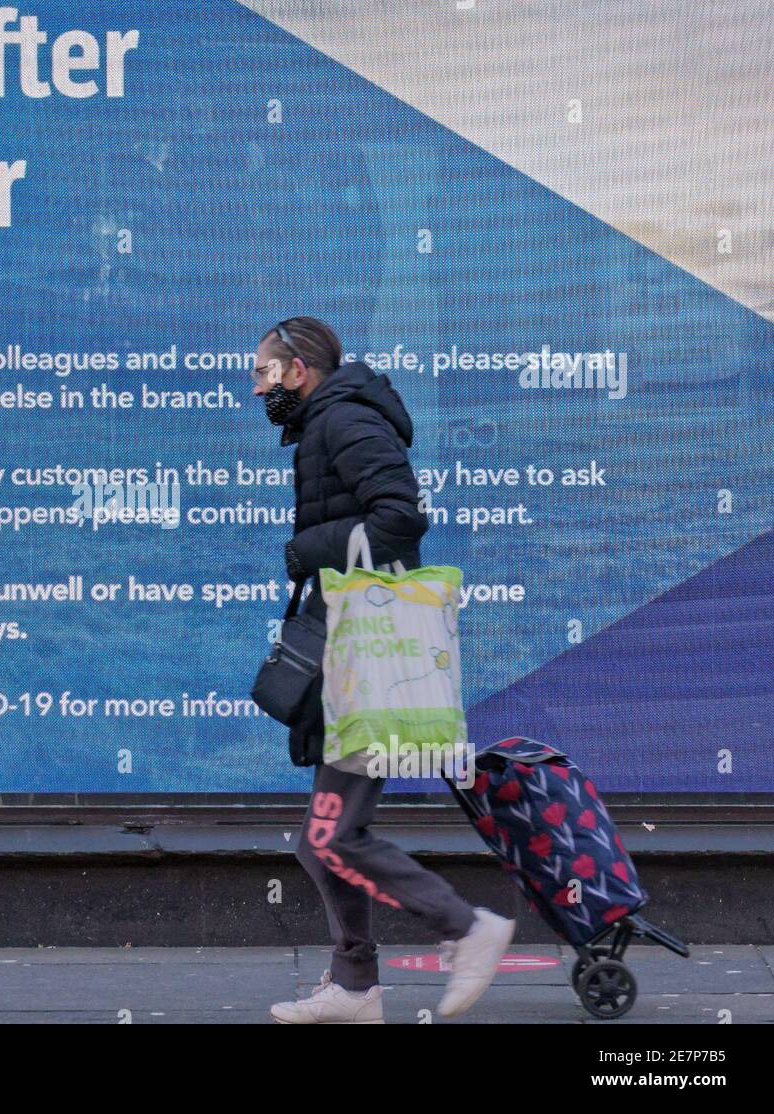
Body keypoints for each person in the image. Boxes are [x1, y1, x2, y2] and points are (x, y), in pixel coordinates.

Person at [253, 316, 514, 1025]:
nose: (258, 386)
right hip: (349, 653)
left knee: (333, 837)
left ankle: (466, 929)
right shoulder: (327, 422)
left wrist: (312, 545)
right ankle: (356, 986)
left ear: (298, 369)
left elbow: (402, 520)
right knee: (320, 840)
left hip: (369, 660)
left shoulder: (344, 422)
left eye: (265, 372)